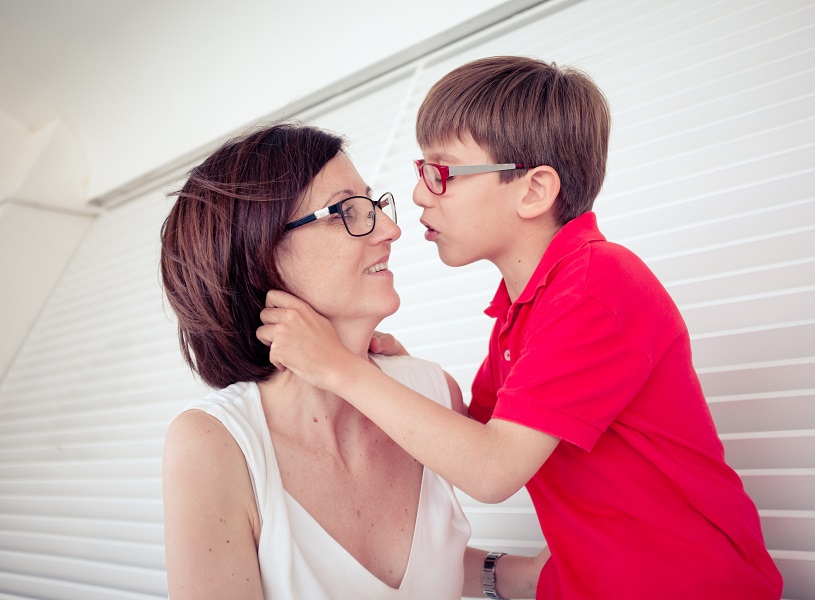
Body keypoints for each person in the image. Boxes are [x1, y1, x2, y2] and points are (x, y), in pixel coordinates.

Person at [256, 57, 784, 599]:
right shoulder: (524, 309)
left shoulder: (595, 286)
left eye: (441, 173)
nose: (417, 195)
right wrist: (395, 372)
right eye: (421, 171)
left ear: (533, 191)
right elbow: (475, 432)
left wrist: (341, 370)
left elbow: (490, 469)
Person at [159, 122, 546, 599]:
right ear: (259, 252)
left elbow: (425, 558)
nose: (391, 229)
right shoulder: (214, 445)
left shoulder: (433, 392)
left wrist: (519, 576)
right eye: (348, 211)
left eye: (374, 205)